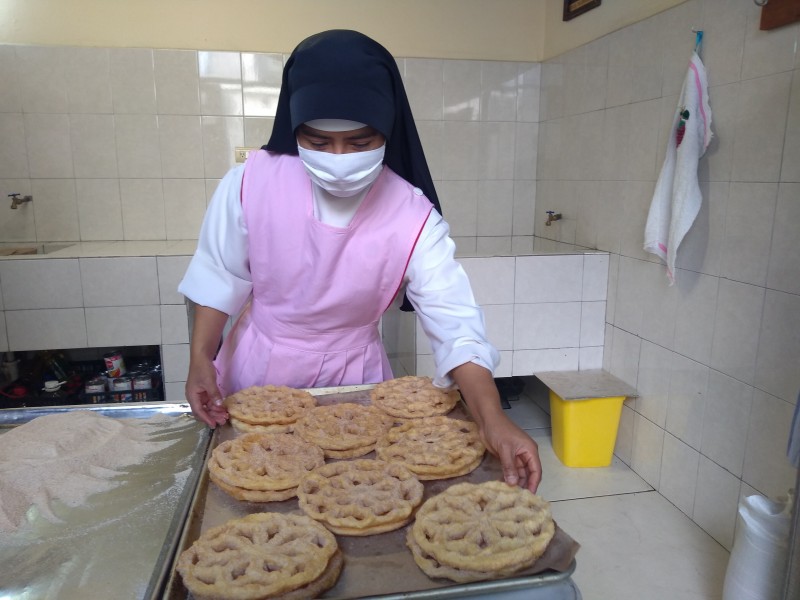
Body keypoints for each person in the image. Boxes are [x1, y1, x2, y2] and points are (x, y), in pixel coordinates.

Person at [178, 29, 543, 493]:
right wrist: (199, 359)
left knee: (354, 489)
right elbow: (220, 277)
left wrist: (492, 419)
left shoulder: (412, 214)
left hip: (356, 377)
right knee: (256, 484)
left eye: (359, 142)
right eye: (318, 141)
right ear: (295, 128)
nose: (339, 158)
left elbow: (456, 324)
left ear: (387, 130)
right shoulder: (250, 182)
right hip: (258, 367)